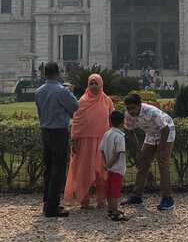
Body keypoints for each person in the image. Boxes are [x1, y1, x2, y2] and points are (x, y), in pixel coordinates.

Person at [35, 61, 79, 218]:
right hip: (59, 132)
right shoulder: (61, 91)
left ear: (45, 73)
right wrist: (71, 92)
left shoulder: (39, 91)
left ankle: (47, 203)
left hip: (45, 131)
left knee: (48, 168)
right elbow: (75, 107)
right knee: (58, 170)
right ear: (58, 73)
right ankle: (52, 208)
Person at [64, 73, 114, 209]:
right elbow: (76, 123)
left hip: (102, 142)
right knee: (84, 171)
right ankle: (84, 200)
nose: (93, 86)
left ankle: (101, 201)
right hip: (85, 143)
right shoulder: (82, 101)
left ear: (101, 84)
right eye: (91, 83)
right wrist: (74, 141)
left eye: (95, 83)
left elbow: (112, 120)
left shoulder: (107, 100)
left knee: (102, 172)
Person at [121, 92, 176, 211]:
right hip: (151, 134)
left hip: (166, 132)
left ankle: (168, 198)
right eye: (128, 108)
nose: (131, 111)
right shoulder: (129, 115)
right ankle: (137, 196)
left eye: (133, 108)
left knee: (163, 165)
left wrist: (161, 149)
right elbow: (130, 132)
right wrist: (138, 151)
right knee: (142, 164)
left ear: (139, 105)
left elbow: (165, 129)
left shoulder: (151, 112)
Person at [100, 110, 128, 222]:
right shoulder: (120, 136)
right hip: (117, 168)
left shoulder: (107, 134)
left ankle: (110, 209)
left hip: (109, 168)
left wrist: (105, 164)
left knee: (109, 189)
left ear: (110, 122)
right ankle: (115, 212)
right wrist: (110, 164)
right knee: (115, 190)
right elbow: (118, 153)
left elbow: (101, 150)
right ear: (123, 122)